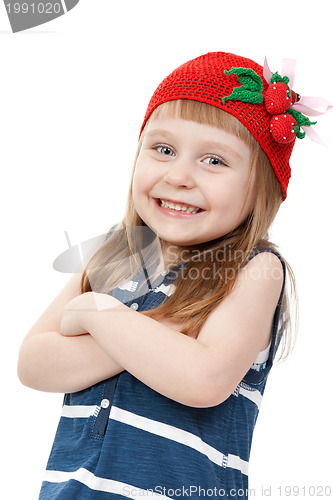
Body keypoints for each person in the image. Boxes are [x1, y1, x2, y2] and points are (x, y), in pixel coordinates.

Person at [17, 51, 330, 499]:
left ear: (262, 184)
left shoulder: (255, 269)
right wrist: (153, 335)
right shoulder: (114, 252)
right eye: (163, 150)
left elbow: (203, 379)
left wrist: (97, 312)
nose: (179, 175)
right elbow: (33, 364)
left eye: (214, 161)